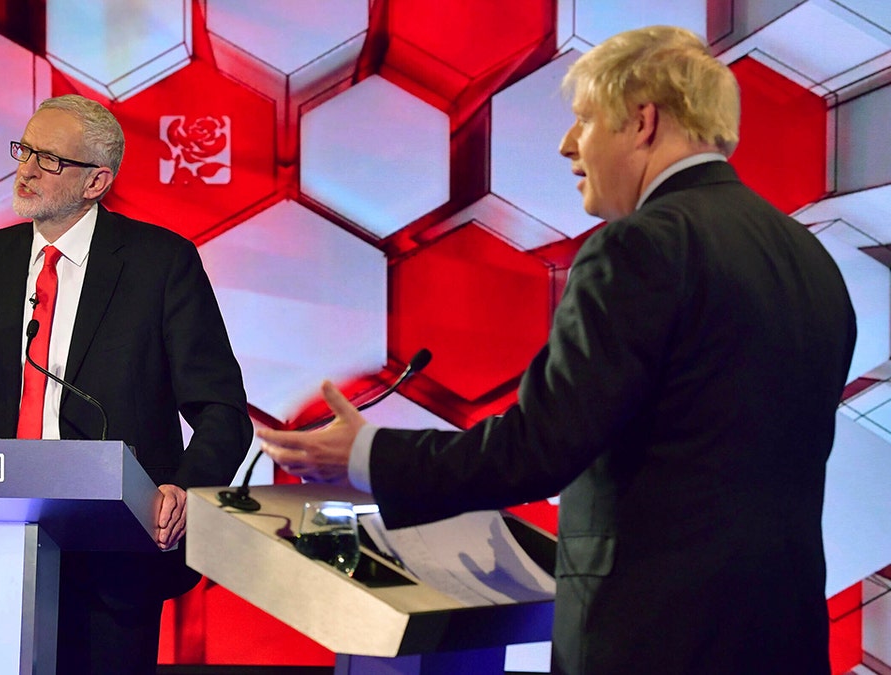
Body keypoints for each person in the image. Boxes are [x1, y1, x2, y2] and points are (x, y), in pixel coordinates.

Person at [258, 26, 856, 675]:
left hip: (652, 646)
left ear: (642, 120)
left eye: (584, 120)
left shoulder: (638, 247)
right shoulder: (811, 262)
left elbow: (538, 447)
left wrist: (368, 453)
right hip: (783, 642)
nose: (569, 145)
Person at [0, 94, 253, 673]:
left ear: (96, 181)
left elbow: (222, 410)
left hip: (114, 547)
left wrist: (185, 491)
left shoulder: (160, 263)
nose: (26, 169)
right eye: (24, 150)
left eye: (49, 159)